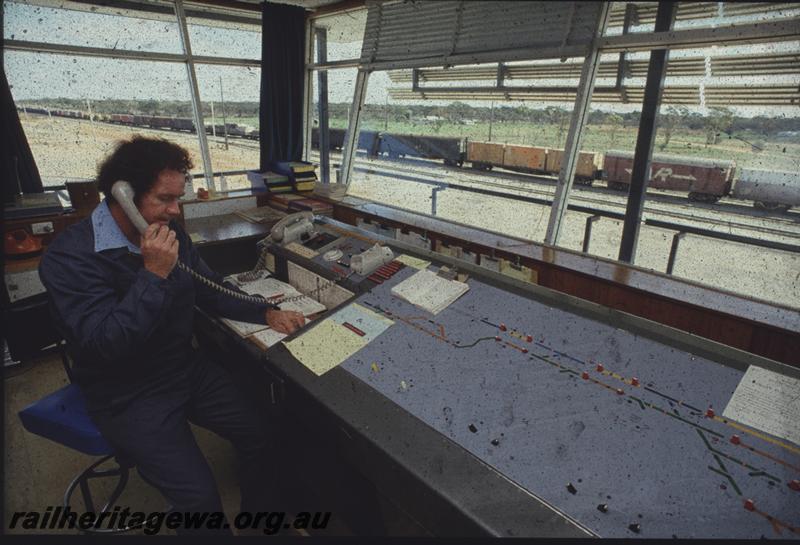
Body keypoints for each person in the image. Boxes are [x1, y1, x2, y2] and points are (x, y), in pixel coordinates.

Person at [38, 135, 305, 534]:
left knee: (261, 433)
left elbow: (208, 286)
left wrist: (264, 311)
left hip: (183, 368)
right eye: (164, 199)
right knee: (199, 500)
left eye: (177, 199)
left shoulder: (170, 233)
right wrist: (153, 274)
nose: (175, 211)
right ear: (122, 195)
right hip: (125, 391)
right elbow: (104, 343)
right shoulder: (69, 258)